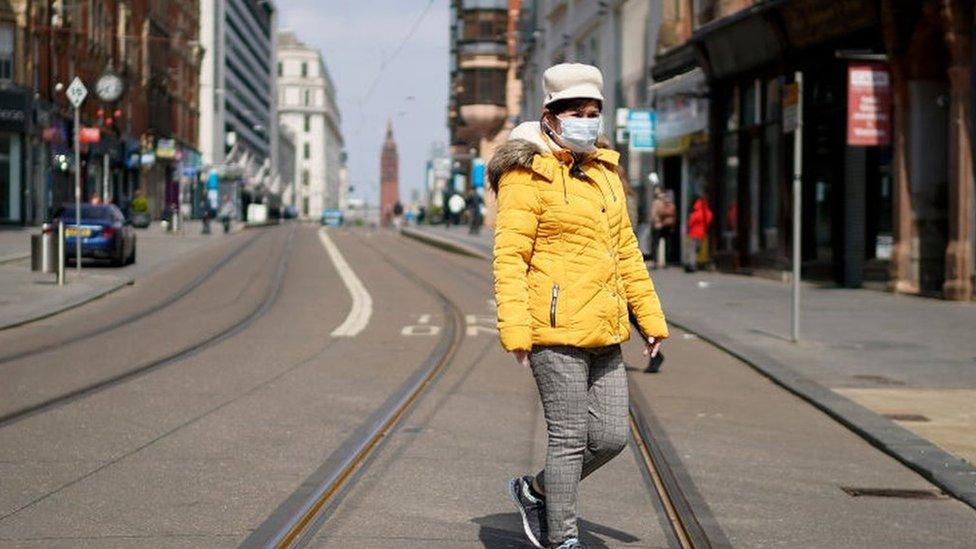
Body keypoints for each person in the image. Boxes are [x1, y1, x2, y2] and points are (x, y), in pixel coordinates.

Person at [490, 63, 668, 549]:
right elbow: (510, 257)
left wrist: (650, 320)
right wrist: (516, 331)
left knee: (612, 437)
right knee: (569, 440)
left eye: (593, 113)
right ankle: (562, 539)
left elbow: (627, 251)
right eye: (575, 112)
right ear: (550, 115)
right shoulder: (526, 175)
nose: (586, 120)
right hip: (554, 332)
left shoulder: (606, 172)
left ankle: (536, 490)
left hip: (606, 330)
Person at [649, 185, 676, 268]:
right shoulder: (668, 200)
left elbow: (654, 214)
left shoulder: (657, 201)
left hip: (657, 224)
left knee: (655, 243)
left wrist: (653, 220)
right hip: (665, 224)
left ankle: (655, 261)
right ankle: (666, 261)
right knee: (666, 243)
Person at [685, 192, 713, 272]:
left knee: (692, 250)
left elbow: (690, 223)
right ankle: (700, 263)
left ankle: (692, 265)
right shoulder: (707, 213)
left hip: (694, 234)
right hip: (703, 234)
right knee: (698, 249)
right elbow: (709, 220)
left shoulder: (695, 214)